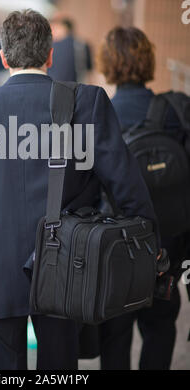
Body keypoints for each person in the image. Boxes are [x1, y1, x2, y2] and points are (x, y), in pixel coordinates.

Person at [0, 10, 158, 370]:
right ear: (51, 55)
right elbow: (127, 187)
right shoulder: (89, 103)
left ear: (5, 57)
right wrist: (150, 250)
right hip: (71, 271)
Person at [97, 26, 189, 370]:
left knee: (114, 336)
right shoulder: (173, 112)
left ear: (108, 64)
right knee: (161, 328)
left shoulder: (99, 112)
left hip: (114, 249)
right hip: (167, 247)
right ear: (148, 61)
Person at [49, 17, 92, 82]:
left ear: (64, 28)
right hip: (77, 88)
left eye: (56, 28)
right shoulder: (82, 45)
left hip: (55, 87)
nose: (53, 32)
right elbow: (89, 72)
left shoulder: (52, 46)